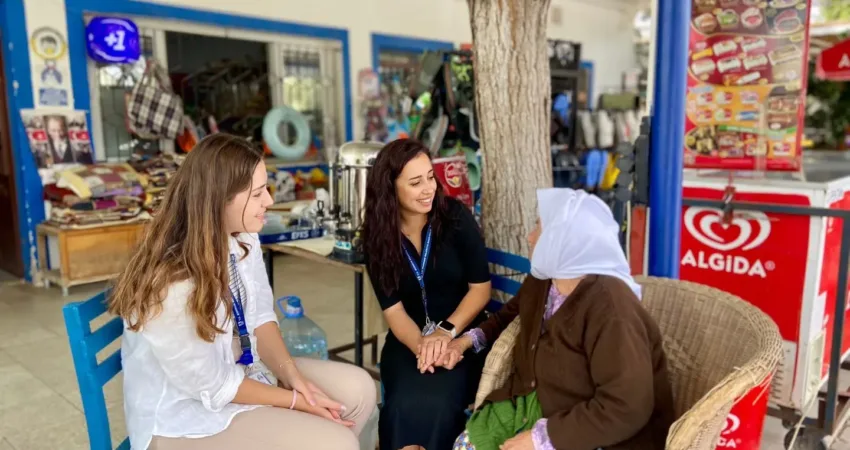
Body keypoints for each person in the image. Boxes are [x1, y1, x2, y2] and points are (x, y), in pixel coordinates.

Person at [108, 133, 376, 450]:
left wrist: (294, 378)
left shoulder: (242, 237)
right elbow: (214, 387)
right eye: (258, 193)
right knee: (337, 442)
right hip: (185, 419)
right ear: (220, 200)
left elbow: (260, 316)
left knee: (361, 389)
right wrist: (294, 401)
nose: (270, 202)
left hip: (242, 372)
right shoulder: (171, 283)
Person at [447, 188, 675, 450]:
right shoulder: (544, 280)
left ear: (565, 242)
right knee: (465, 445)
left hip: (593, 432)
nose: (530, 237)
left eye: (539, 230)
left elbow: (628, 406)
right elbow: (506, 318)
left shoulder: (611, 309)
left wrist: (540, 439)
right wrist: (464, 342)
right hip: (535, 404)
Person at [360, 139, 492, 450]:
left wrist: (445, 334)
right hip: (409, 342)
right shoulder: (377, 238)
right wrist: (424, 347)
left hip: (462, 338)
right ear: (391, 189)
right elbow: (394, 312)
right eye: (415, 182)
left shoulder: (455, 217)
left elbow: (480, 290)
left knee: (438, 402)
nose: (428, 188)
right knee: (402, 403)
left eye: (430, 177)